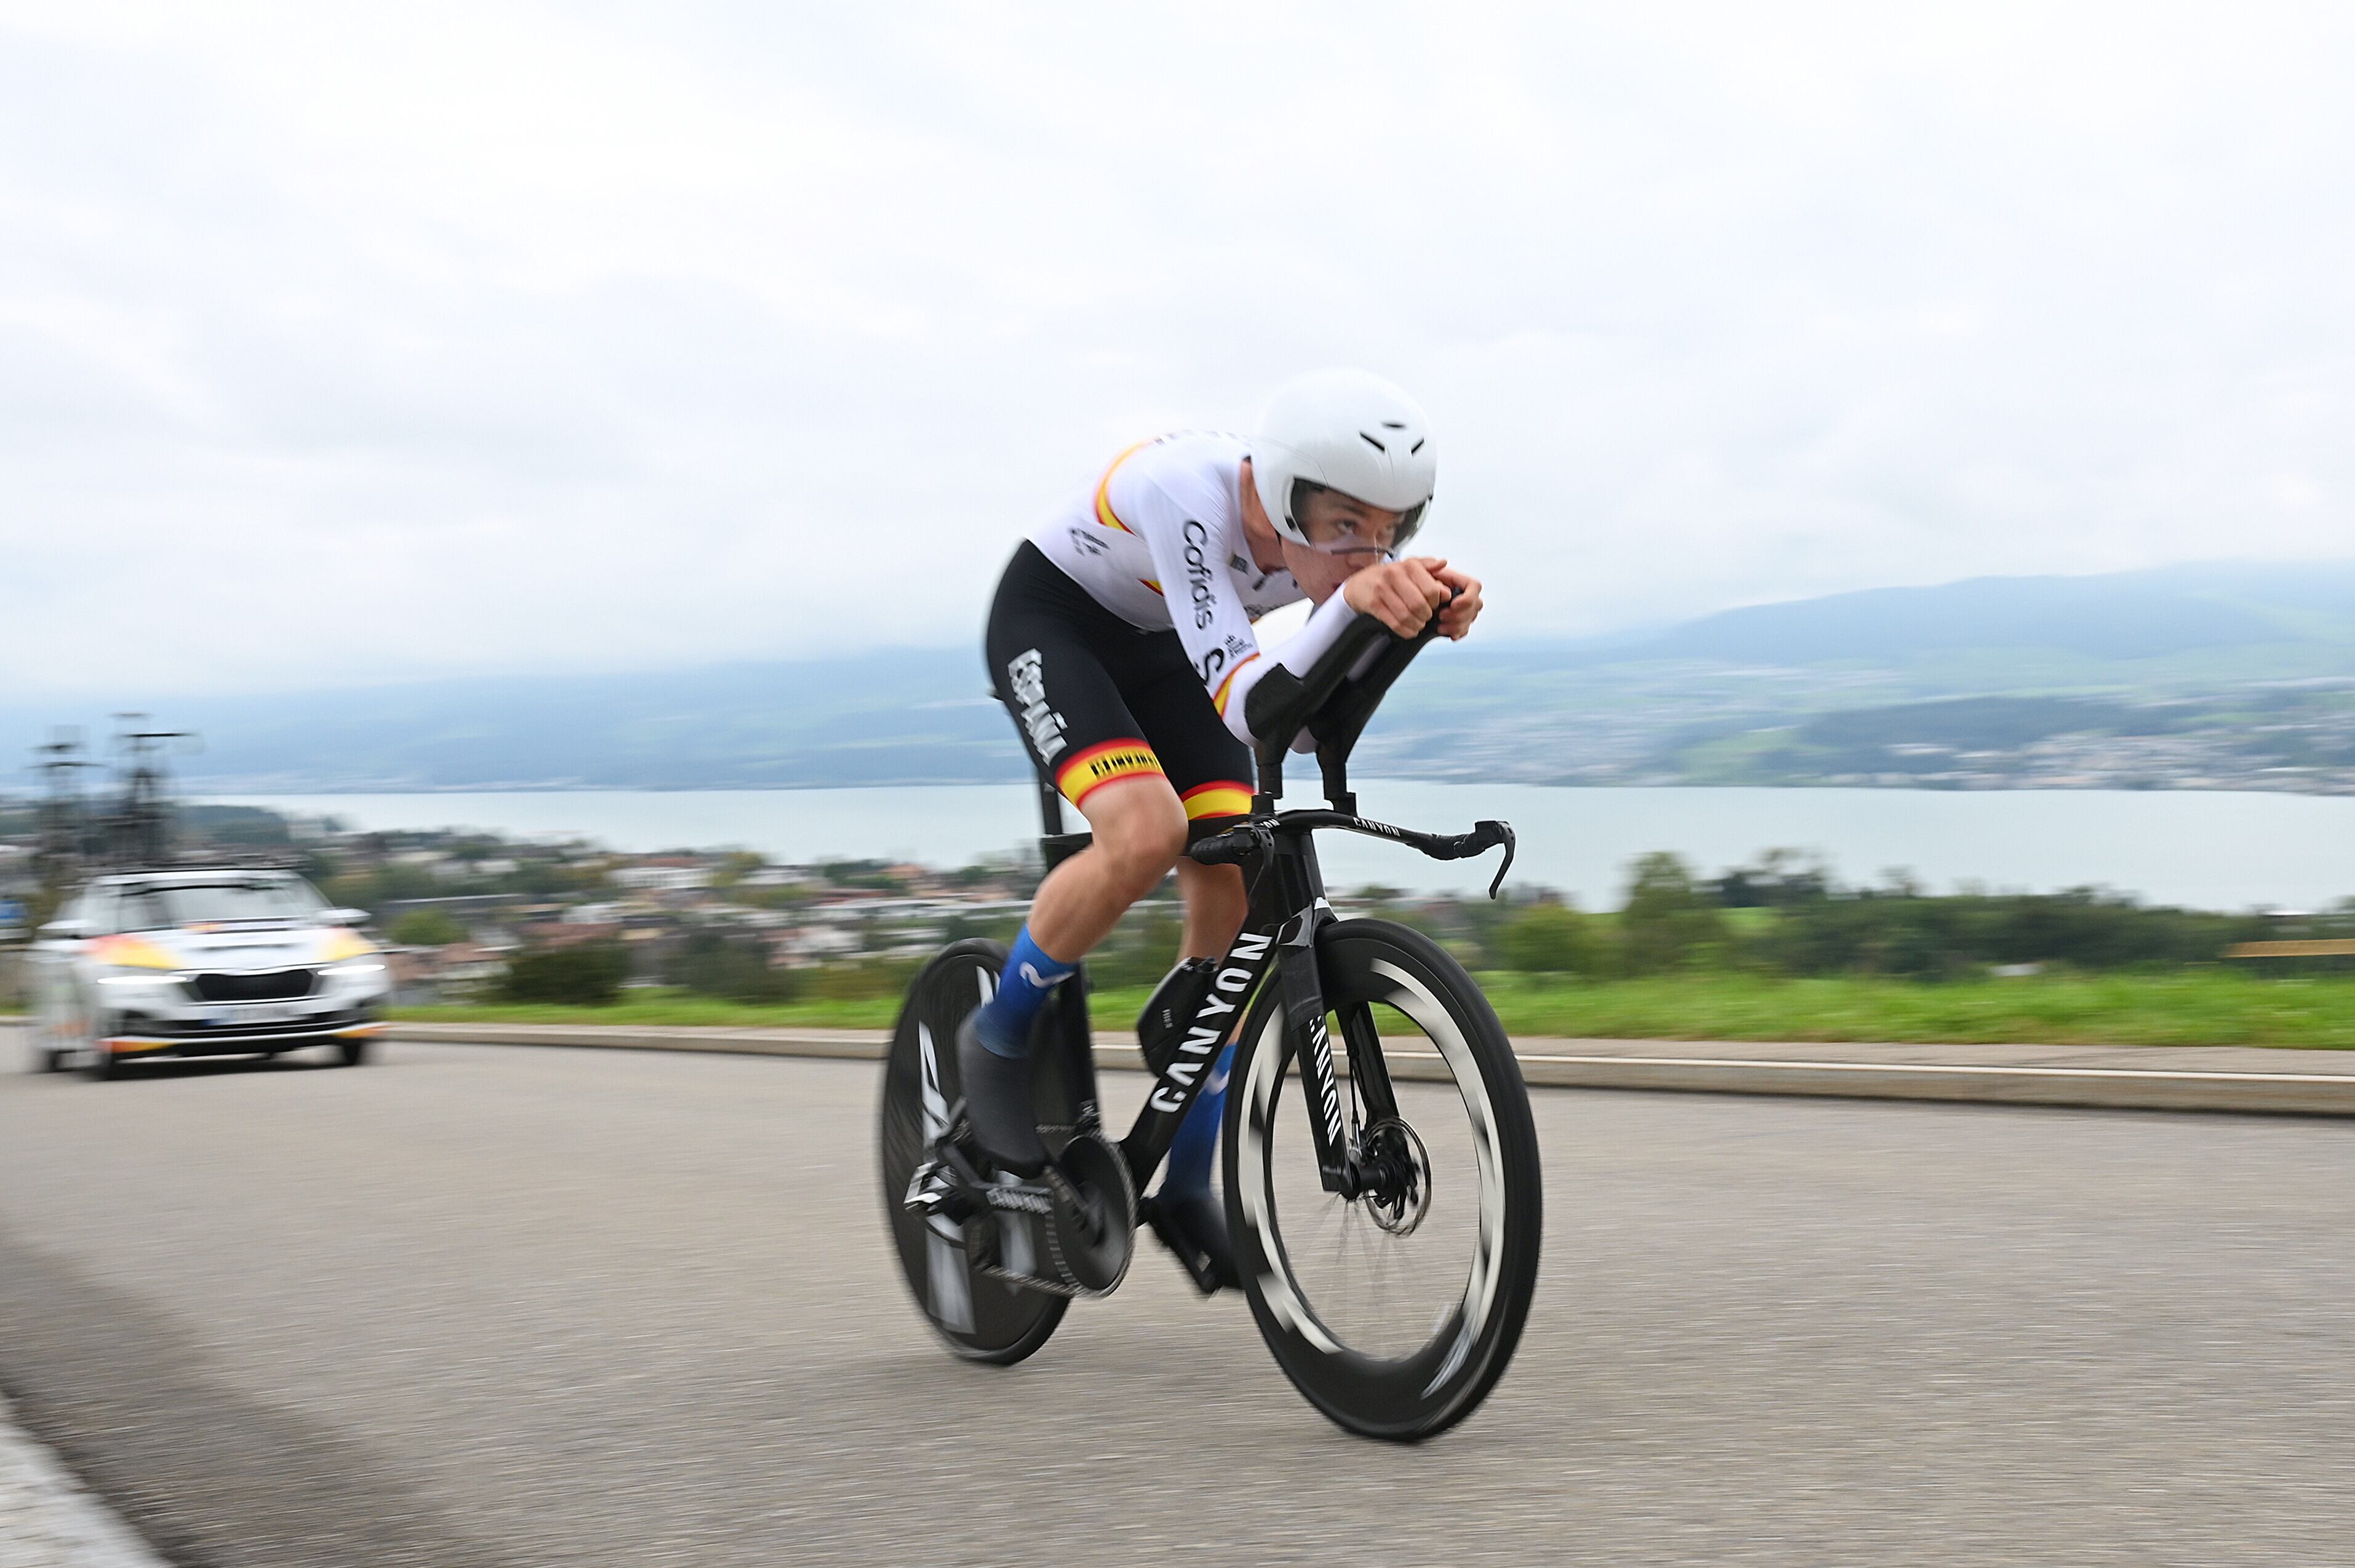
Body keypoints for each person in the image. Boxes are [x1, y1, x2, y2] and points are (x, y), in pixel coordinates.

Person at [963, 368, 1483, 1280]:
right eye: (1344, 528)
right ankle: (999, 1035)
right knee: (1144, 832)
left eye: (1391, 532)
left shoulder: (1326, 544)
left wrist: (1408, 627)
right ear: (1283, 502)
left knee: (1239, 888)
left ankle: (1187, 1182)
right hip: (1059, 622)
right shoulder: (1186, 496)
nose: (1370, 555)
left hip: (1171, 647)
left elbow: (1312, 711)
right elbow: (1249, 707)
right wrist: (1364, 609)